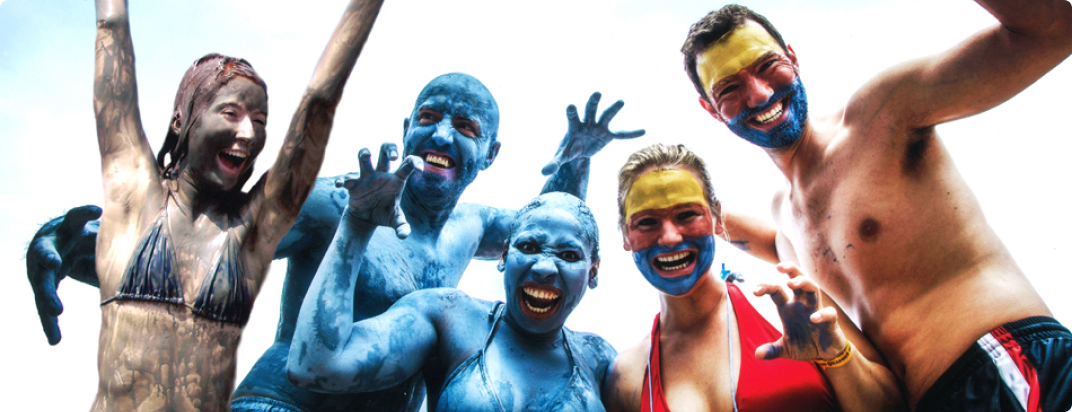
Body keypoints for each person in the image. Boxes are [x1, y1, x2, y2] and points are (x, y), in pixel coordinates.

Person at [28, 70, 642, 410]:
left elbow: (554, 241)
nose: (442, 135)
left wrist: (575, 160)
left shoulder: (476, 227)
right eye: (428, 118)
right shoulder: (339, 201)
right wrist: (84, 236)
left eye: (465, 126)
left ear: (489, 154)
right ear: (406, 128)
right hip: (285, 403)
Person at [679, 3, 1072, 411]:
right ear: (711, 108)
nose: (758, 94)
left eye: (766, 65)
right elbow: (718, 222)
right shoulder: (787, 223)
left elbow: (1051, 33)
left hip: (1007, 365)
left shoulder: (880, 117)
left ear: (793, 58)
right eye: (729, 89)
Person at [72, 0, 383, 409]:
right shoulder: (132, 194)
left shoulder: (252, 232)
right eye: (231, 113)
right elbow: (111, 26)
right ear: (182, 120)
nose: (248, 132)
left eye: (259, 120)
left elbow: (319, 100)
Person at [602, 143, 904, 412]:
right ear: (626, 236)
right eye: (647, 222)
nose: (668, 237)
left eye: (687, 215)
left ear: (717, 219)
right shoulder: (627, 377)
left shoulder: (787, 308)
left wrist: (838, 357)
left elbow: (895, 405)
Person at [286, 167, 616, 412]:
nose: (543, 268)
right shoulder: (450, 318)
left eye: (568, 255)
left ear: (593, 270)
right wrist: (356, 226)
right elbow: (318, 365)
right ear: (503, 255)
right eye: (528, 247)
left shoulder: (599, 359)